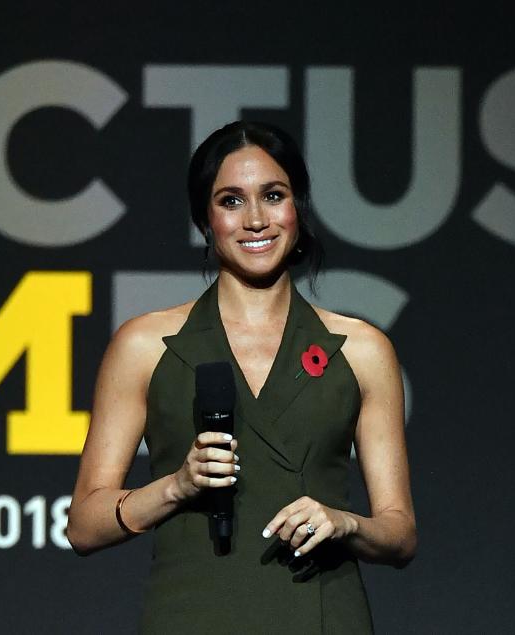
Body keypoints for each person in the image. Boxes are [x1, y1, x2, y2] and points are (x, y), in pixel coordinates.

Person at [67, 121, 416, 633]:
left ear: (298, 207)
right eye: (231, 201)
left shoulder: (361, 351)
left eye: (273, 196)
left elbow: (400, 533)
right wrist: (177, 486)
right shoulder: (144, 345)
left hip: (322, 615)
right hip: (191, 614)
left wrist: (346, 523)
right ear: (205, 220)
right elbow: (83, 525)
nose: (255, 220)